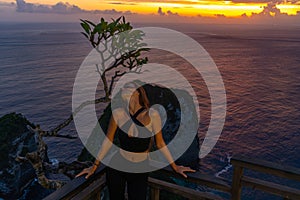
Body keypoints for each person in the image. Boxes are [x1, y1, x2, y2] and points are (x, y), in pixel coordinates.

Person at [76, 81, 196, 200]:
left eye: (128, 87)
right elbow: (108, 141)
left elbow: (160, 143)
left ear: (138, 92)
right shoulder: (118, 114)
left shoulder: (152, 114)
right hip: (117, 165)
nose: (123, 89)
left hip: (139, 167)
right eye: (123, 87)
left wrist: (175, 167)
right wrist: (94, 166)